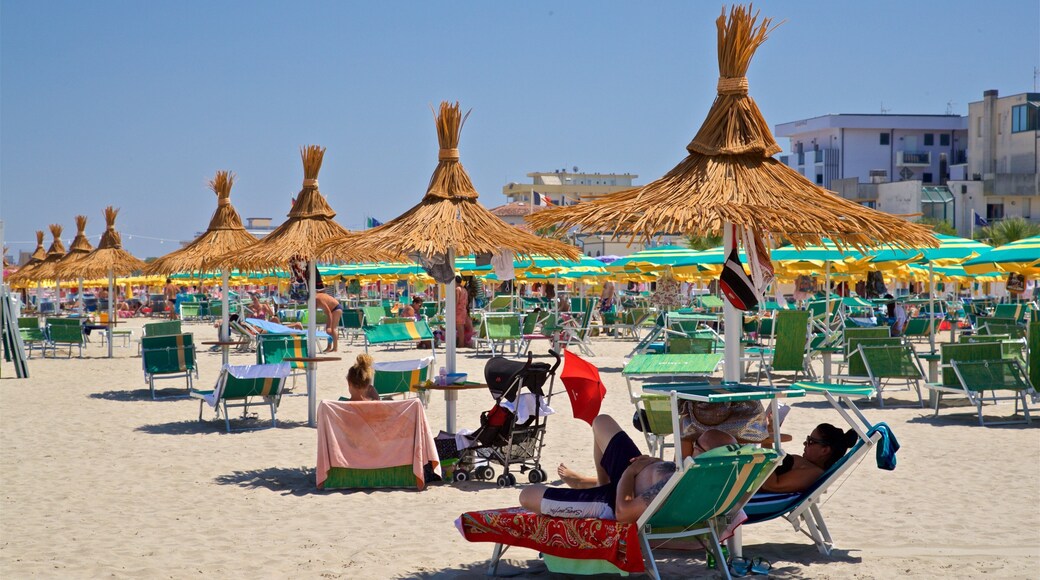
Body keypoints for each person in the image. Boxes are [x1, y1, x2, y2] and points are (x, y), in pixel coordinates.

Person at [519, 414, 728, 524]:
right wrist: (653, 463)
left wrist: (631, 471)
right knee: (601, 421)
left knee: (527, 495)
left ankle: (598, 488)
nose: (692, 446)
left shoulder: (674, 485)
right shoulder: (713, 479)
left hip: (612, 499)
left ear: (705, 455)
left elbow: (623, 512)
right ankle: (599, 482)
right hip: (634, 470)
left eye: (696, 445)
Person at [758, 423, 857, 494]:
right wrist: (770, 431)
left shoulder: (814, 473)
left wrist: (767, 444)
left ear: (825, 450)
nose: (805, 443)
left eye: (810, 441)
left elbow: (771, 485)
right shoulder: (809, 466)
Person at [454, 275, 474, 348]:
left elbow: (456, 301)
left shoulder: (457, 289)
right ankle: (462, 343)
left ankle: (461, 344)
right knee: (461, 327)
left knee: (460, 328)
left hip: (458, 310)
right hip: (464, 310)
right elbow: (466, 301)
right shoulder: (464, 289)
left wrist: (453, 310)